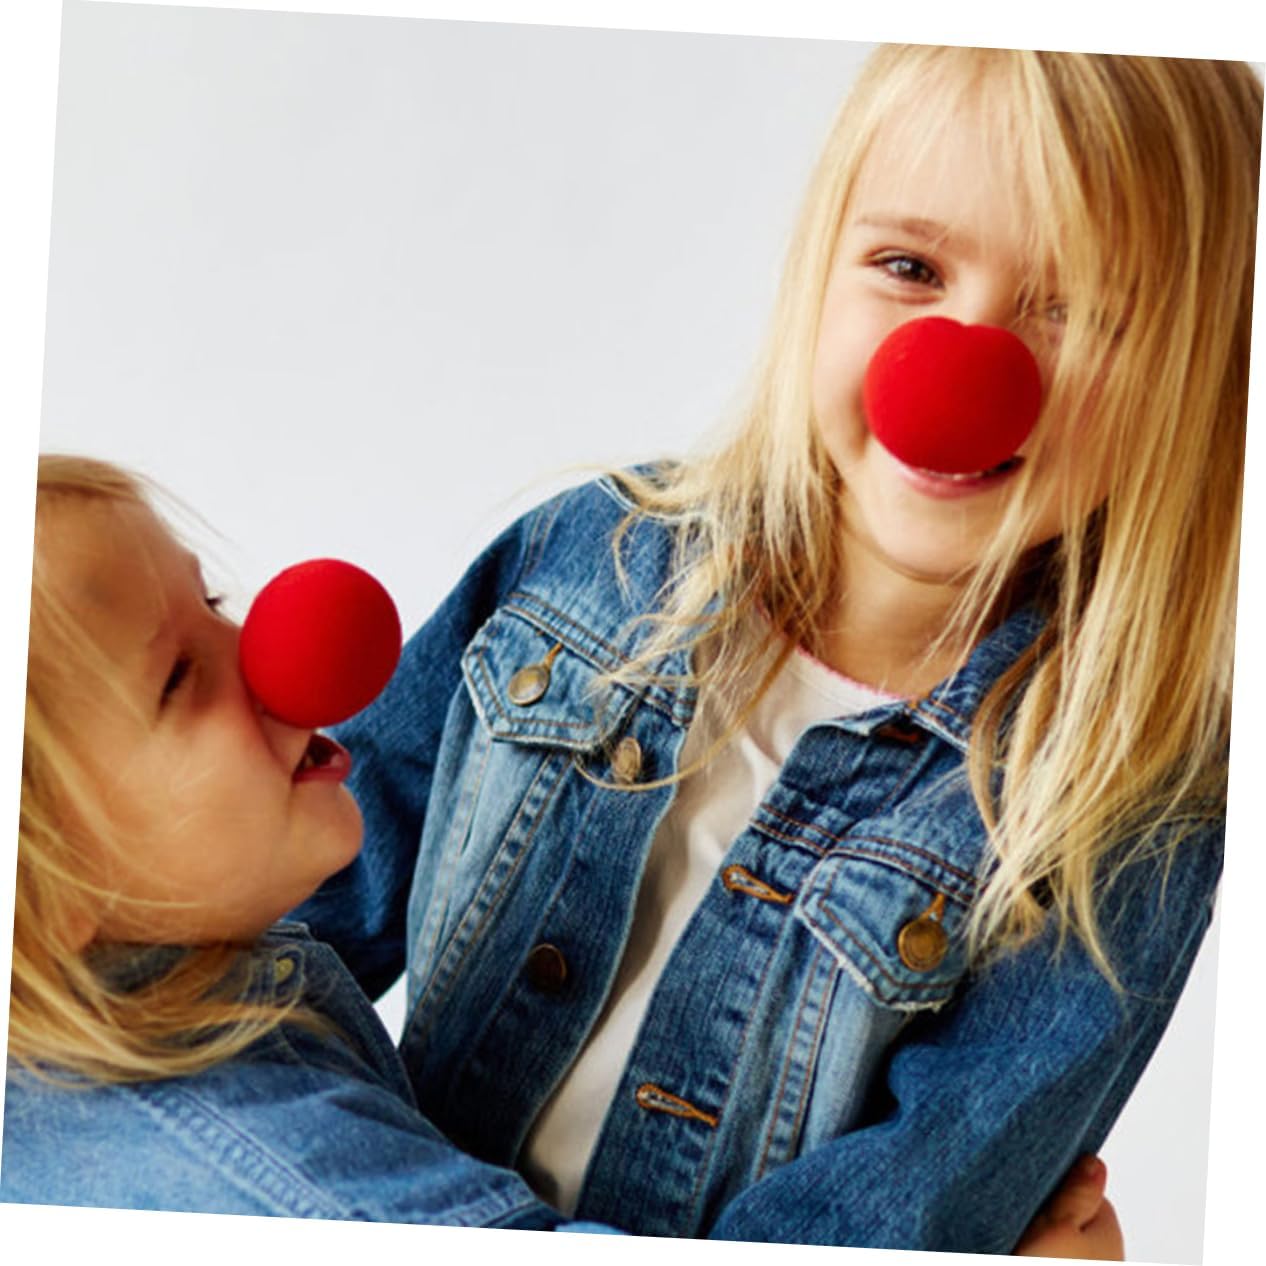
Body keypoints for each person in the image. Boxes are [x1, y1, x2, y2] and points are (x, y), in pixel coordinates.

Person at [290, 45, 1259, 1255]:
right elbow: (276, 954)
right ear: (819, 271)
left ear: (1201, 374)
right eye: (910, 268)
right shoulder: (583, 558)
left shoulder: (1126, 804)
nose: (967, 366)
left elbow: (891, 1217)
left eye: (1084, 312)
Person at [1, 453, 1120, 1258]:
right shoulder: (275, 1183)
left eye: (213, 601)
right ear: (44, 897)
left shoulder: (161, 1000)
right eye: (177, 678)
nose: (270, 650)